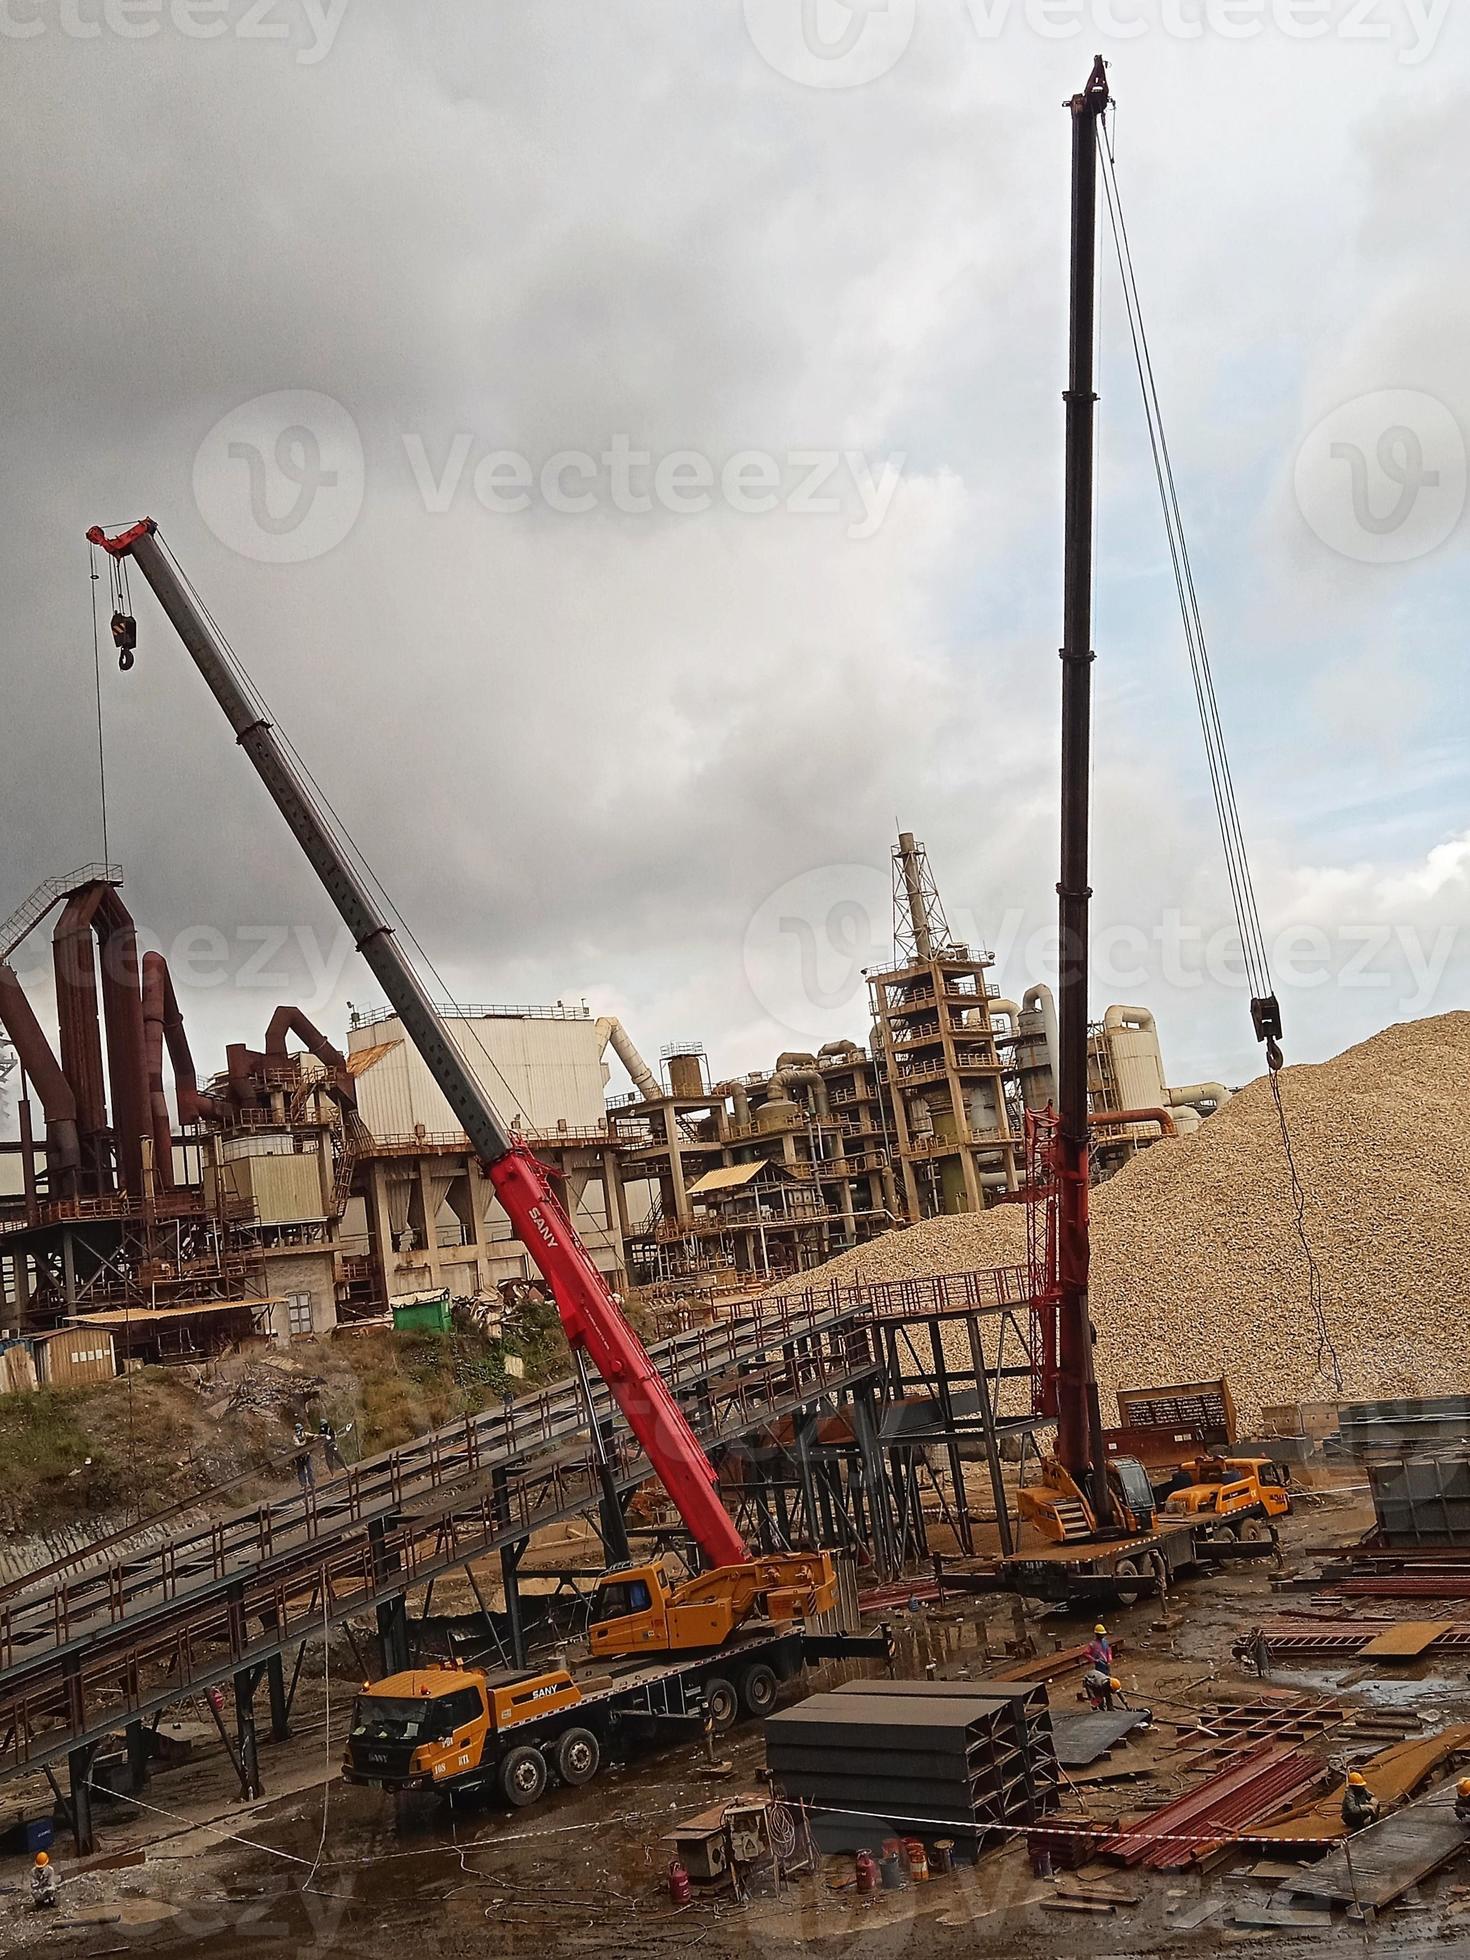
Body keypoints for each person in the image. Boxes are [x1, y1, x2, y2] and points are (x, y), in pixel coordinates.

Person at [292, 1421, 315, 1492]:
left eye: (299, 1431)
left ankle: (312, 1483)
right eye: (296, 1431)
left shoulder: (305, 1434)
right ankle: (303, 1485)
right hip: (299, 1456)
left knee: (310, 1469)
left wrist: (316, 1437)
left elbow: (313, 1435)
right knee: (300, 1471)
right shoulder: (294, 1437)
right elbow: (297, 1444)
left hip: (307, 1455)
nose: (297, 1432)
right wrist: (304, 1445)